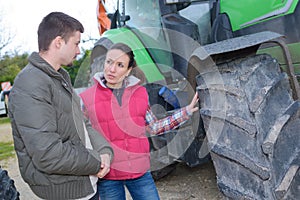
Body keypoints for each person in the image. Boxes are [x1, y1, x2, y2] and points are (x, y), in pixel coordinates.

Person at [8, 12, 113, 200]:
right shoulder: (31, 83)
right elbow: (48, 153)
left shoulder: (59, 78)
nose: (79, 50)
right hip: (66, 191)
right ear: (58, 42)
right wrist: (96, 162)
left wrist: (104, 150)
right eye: (76, 43)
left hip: (85, 184)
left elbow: (83, 123)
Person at [79, 42, 199, 200]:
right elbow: (81, 136)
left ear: (128, 70)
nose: (111, 69)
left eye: (120, 65)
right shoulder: (86, 98)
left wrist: (186, 112)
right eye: (109, 62)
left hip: (139, 173)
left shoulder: (140, 93)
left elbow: (154, 127)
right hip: (108, 176)